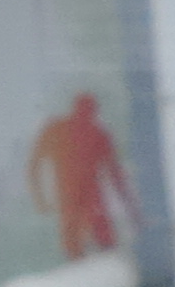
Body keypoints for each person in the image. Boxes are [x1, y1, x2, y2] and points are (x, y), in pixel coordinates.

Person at [23, 90, 133, 264]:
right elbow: (116, 176)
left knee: (86, 242)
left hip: (79, 198)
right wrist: (131, 209)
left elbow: (34, 167)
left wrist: (40, 200)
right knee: (91, 241)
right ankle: (93, 265)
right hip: (80, 198)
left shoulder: (63, 130)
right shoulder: (94, 133)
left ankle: (92, 264)